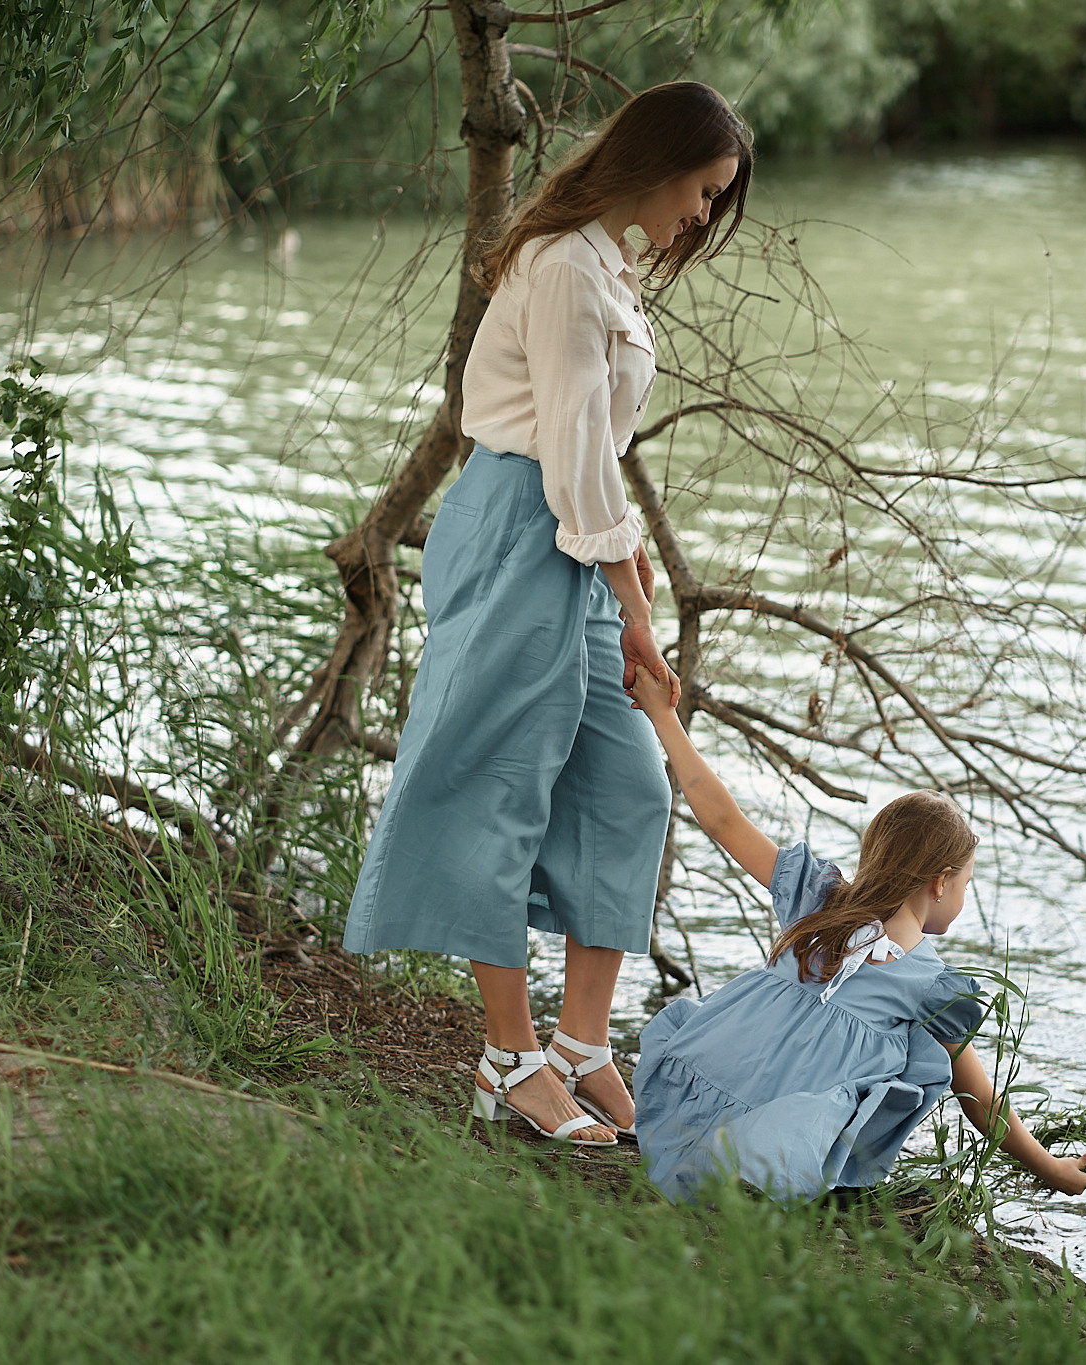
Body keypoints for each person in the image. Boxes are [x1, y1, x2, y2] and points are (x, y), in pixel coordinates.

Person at [341, 83, 754, 1147]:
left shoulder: (602, 262)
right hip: (526, 524)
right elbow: (572, 450)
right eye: (703, 191)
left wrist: (624, 578)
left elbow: (593, 457)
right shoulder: (565, 266)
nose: (701, 217)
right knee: (501, 787)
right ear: (660, 163)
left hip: (575, 533)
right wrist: (634, 594)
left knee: (625, 786)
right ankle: (507, 1059)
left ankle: (579, 1049)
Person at [625, 669, 1086, 1202]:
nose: (964, 896)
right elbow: (979, 1098)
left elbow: (724, 821)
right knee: (914, 1064)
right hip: (778, 1132)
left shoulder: (819, 902)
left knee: (902, 1057)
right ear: (940, 882)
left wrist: (664, 717)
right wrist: (1050, 1169)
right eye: (967, 882)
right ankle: (764, 1168)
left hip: (707, 1079)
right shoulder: (931, 984)